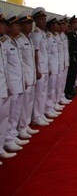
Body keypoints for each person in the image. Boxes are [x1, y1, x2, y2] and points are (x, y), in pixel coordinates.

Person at [2, 12, 28, 152]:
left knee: (14, 111)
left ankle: (11, 135)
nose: (18, 27)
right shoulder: (4, 43)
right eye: (16, 24)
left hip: (16, 81)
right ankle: (7, 139)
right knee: (8, 113)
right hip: (9, 84)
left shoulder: (14, 41)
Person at [16, 11, 39, 140]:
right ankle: (20, 128)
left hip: (31, 75)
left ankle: (25, 125)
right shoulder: (19, 40)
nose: (30, 26)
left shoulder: (28, 39)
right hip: (23, 77)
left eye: (31, 23)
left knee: (29, 102)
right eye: (26, 24)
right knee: (22, 104)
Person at [30, 7, 52, 126]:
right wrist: (37, 69)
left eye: (44, 19)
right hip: (40, 68)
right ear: (36, 21)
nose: (44, 21)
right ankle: (36, 116)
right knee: (38, 94)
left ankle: (41, 113)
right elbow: (36, 53)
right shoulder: (36, 35)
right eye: (42, 19)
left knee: (43, 92)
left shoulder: (42, 34)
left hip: (44, 67)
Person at [0, 9, 17, 162]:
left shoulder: (2, 42)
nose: (4, 27)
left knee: (4, 116)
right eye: (2, 24)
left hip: (3, 86)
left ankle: (1, 146)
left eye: (5, 24)